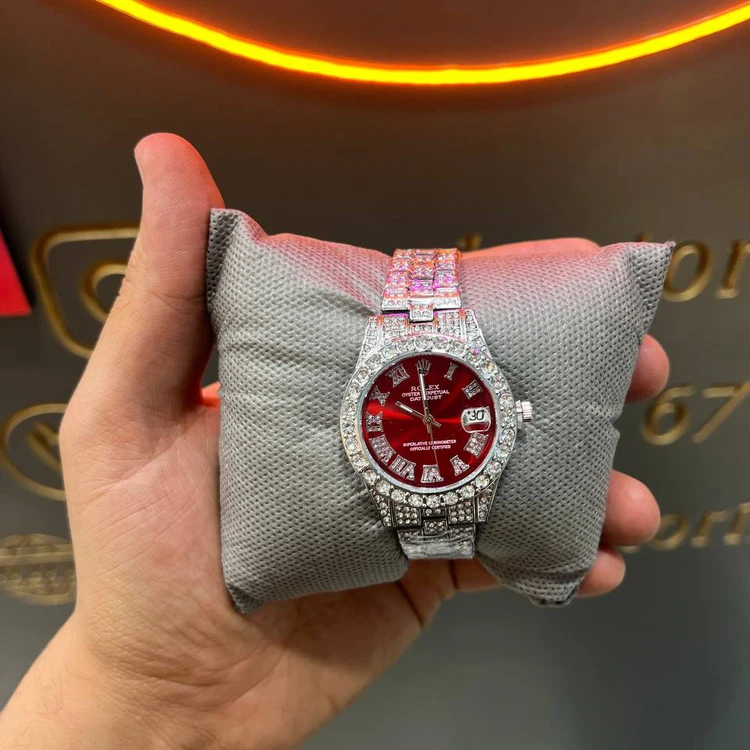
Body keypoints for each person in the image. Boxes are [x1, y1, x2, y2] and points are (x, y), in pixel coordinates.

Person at [0, 134, 667, 749]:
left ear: (511, 413)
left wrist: (135, 708)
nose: (428, 424)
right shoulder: (401, 398)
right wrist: (137, 691)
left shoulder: (424, 399)